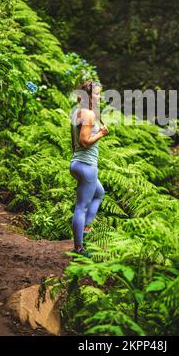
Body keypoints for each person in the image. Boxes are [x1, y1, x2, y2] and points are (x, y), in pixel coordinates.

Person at [69, 80, 108, 257]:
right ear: (90, 96)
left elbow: (74, 142)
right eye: (98, 94)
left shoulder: (76, 112)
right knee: (81, 207)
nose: (100, 97)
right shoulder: (89, 115)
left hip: (77, 163)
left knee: (99, 193)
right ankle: (79, 248)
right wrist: (101, 133)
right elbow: (84, 142)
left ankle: (85, 229)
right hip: (87, 166)